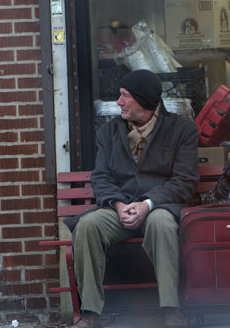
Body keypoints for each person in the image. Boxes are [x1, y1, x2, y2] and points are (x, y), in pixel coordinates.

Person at [66, 69, 199, 328]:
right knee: (88, 226)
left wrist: (147, 203)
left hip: (159, 206)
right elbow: (101, 178)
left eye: (125, 96)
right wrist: (117, 204)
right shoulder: (107, 133)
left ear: (144, 100)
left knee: (161, 223)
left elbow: (185, 181)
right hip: (120, 206)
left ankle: (172, 310)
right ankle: (91, 313)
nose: (119, 102)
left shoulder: (182, 131)